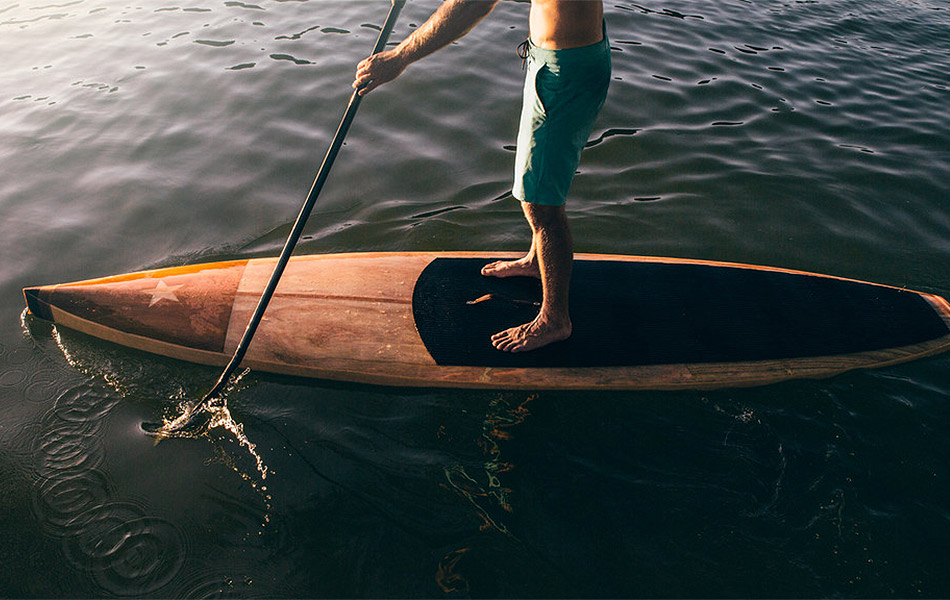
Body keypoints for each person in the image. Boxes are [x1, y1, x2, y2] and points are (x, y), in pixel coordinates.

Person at [353, 0, 610, 353]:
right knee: (537, 185)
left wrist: (399, 57)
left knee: (541, 203)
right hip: (551, 60)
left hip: (565, 71)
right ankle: (536, 263)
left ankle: (554, 320)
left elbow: (470, 5)